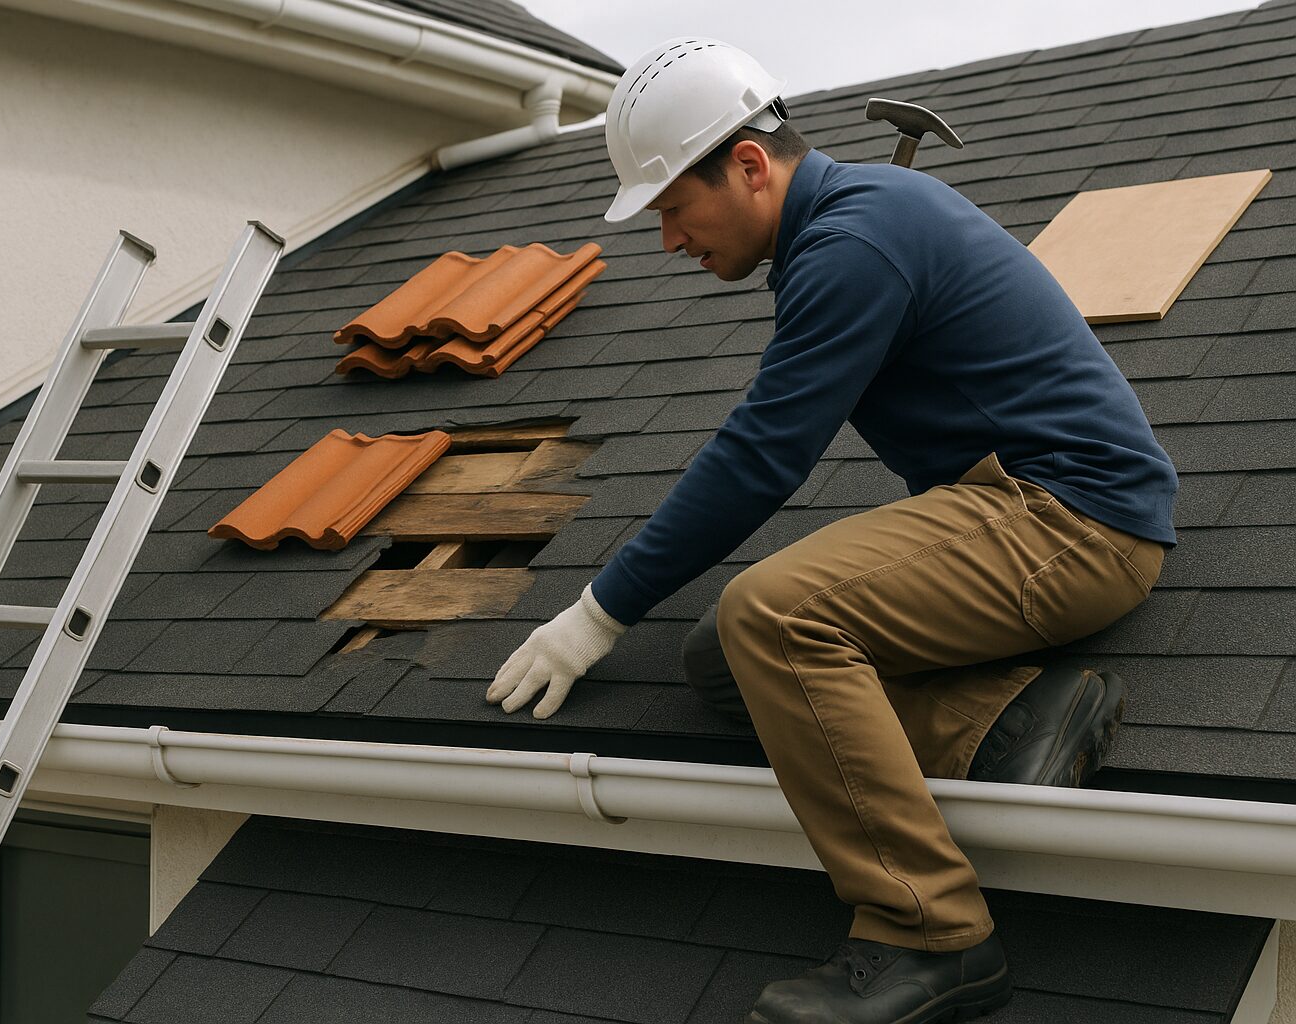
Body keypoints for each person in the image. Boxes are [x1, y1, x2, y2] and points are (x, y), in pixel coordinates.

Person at [484, 36, 1178, 1024]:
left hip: (1074, 519)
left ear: (751, 165)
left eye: (674, 208)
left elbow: (762, 455)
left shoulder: (857, 238)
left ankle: (932, 934)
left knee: (773, 614)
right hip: (1011, 509)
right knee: (726, 651)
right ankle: (1007, 720)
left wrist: (597, 612)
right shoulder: (848, 229)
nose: (670, 240)